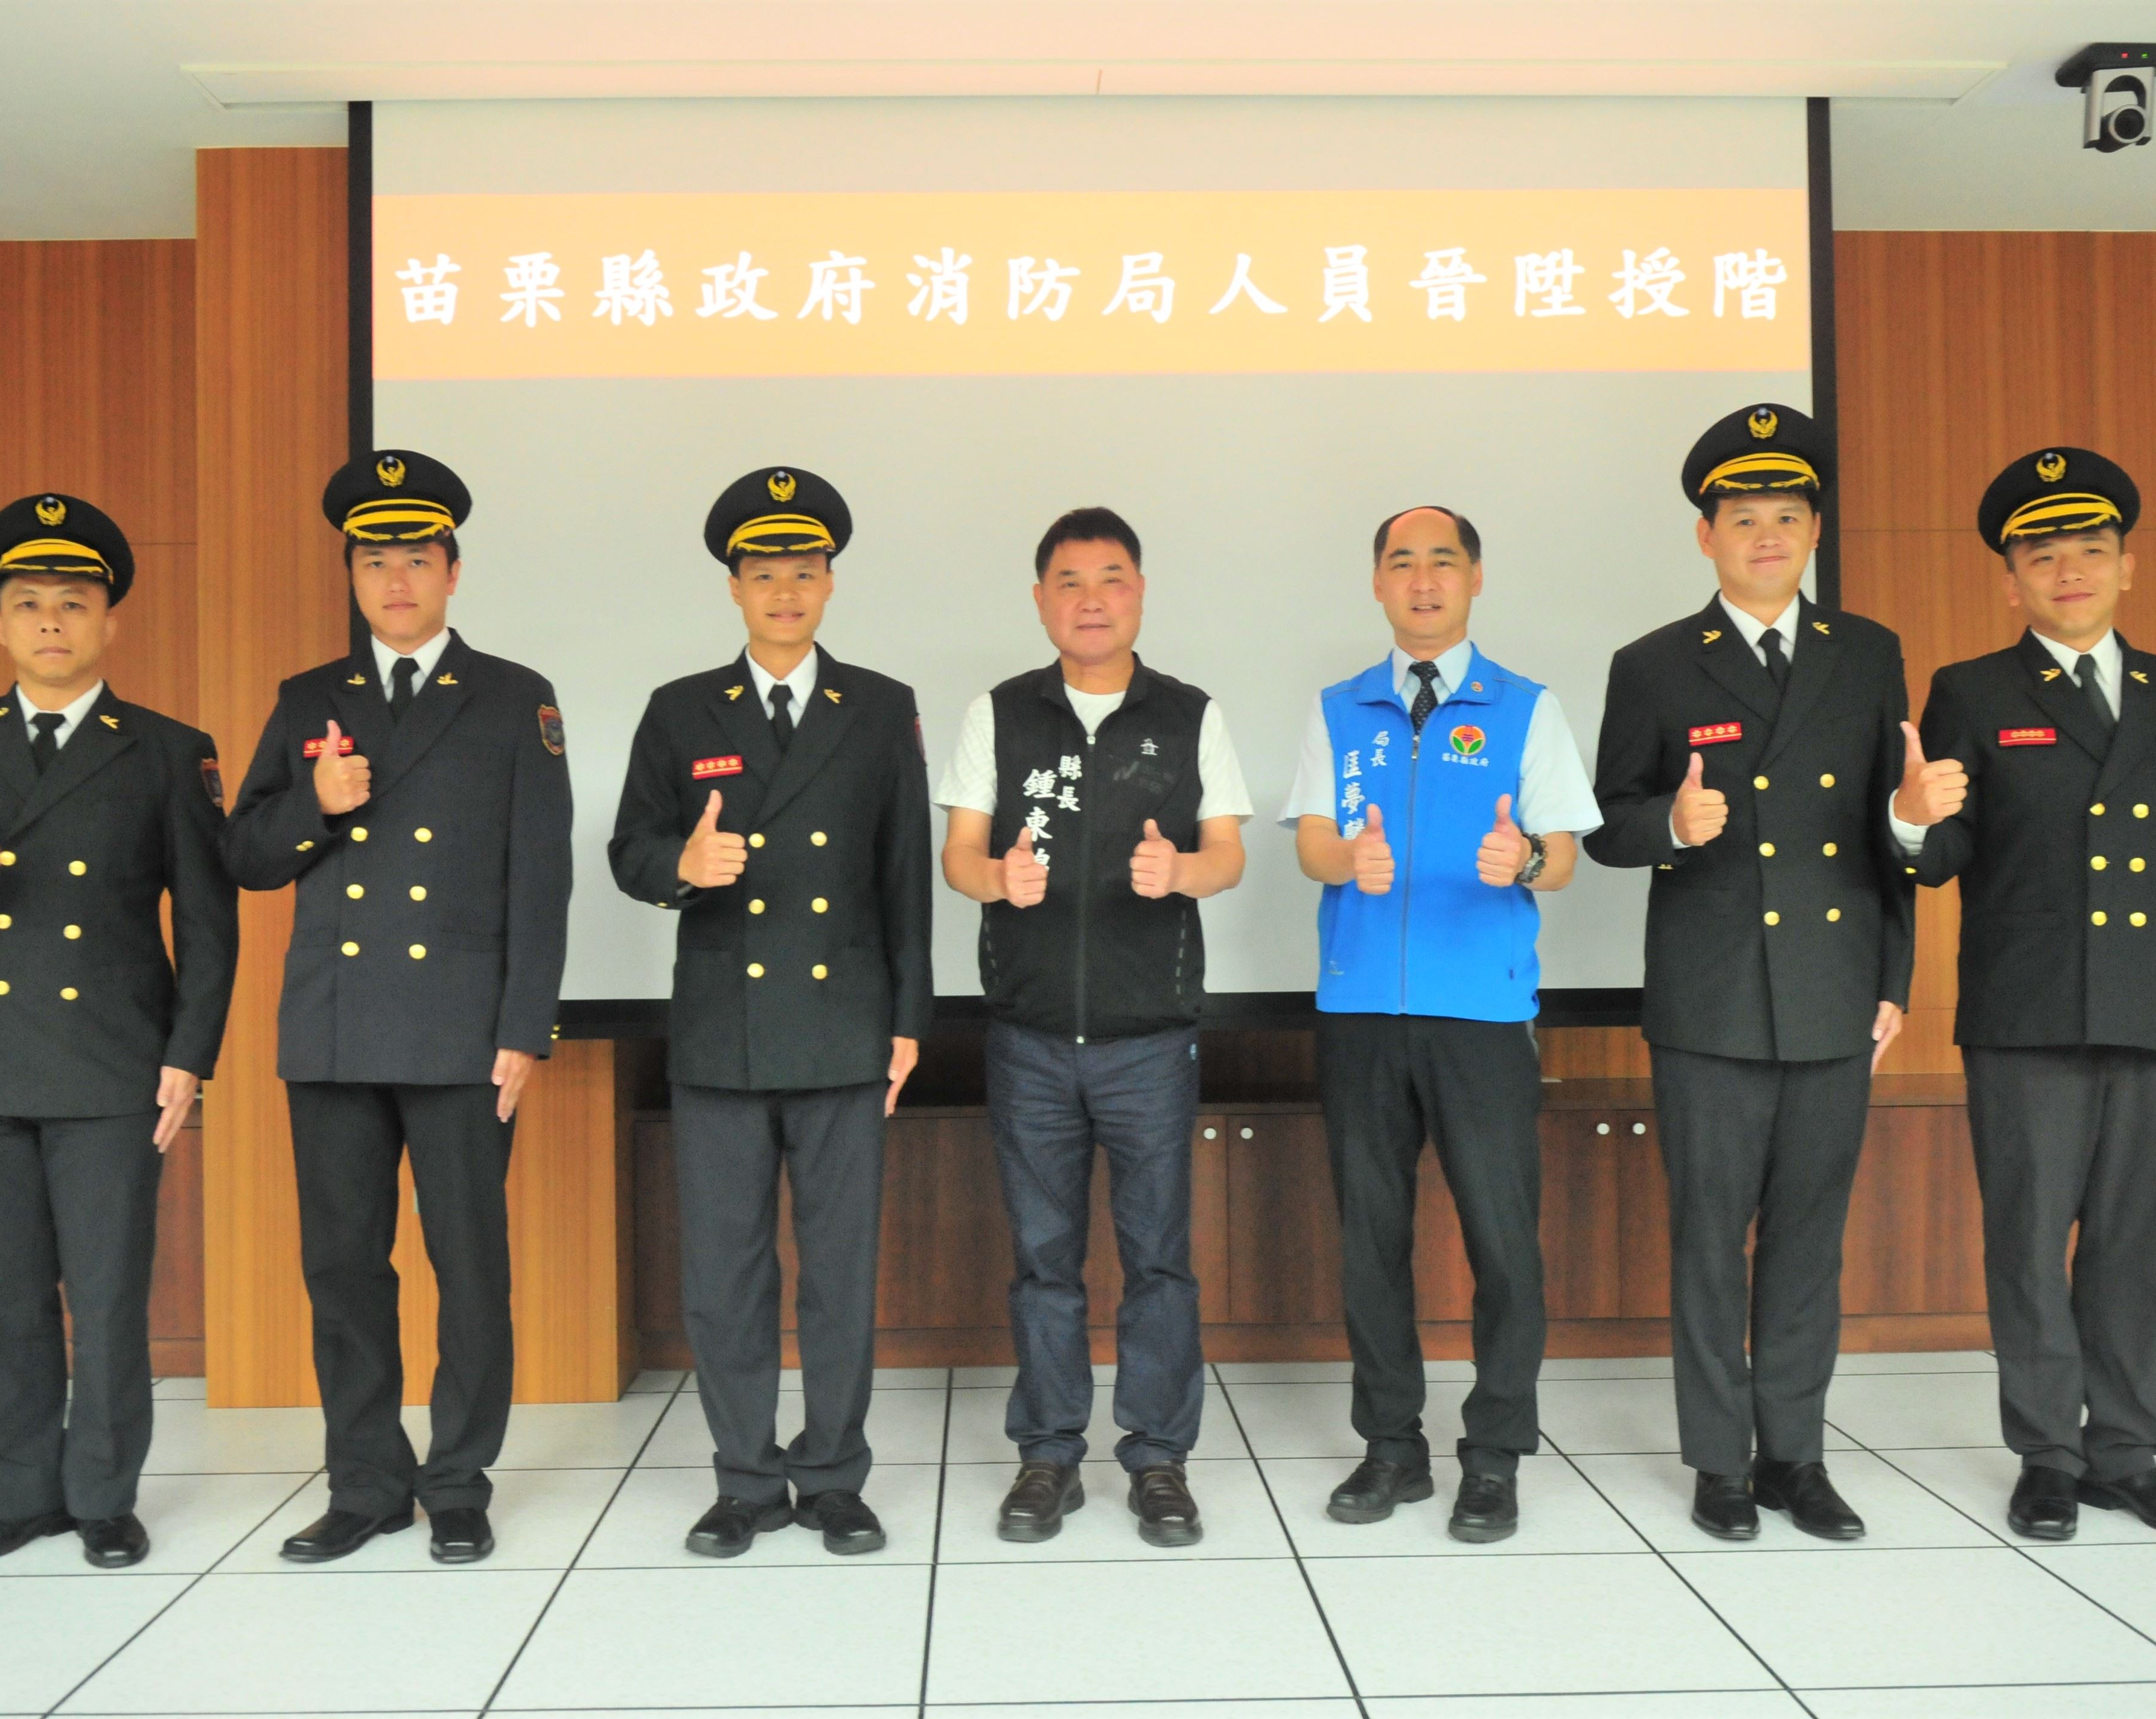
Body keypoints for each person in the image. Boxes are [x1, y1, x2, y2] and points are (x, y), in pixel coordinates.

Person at [0, 494, 238, 1569]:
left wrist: (189, 1056)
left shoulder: (166, 750)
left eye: (73, 603)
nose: (52, 622)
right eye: (29, 604)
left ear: (110, 621)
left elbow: (208, 924)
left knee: (109, 1293)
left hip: (114, 1061)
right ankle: (18, 1495)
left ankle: (104, 1498)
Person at [223, 451, 574, 1565]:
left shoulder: (514, 696)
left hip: (463, 1030)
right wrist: (314, 805)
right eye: (375, 561)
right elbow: (246, 855)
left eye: (417, 560)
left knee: (469, 1266)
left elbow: (542, 874)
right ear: (353, 576)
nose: (396, 580)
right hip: (335, 1027)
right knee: (343, 1271)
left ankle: (459, 1481)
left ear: (453, 573)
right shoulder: (308, 699)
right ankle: (367, 1482)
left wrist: (525, 1026)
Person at [1897, 446, 2156, 1542]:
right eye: (2042, 558)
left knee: (2138, 1246)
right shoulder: (1972, 691)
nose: (2070, 572)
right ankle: (2048, 1456)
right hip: (2027, 1010)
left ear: (2127, 566)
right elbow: (1941, 854)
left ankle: (2127, 1456)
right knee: (2029, 1239)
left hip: (2153, 1007)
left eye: (2090, 550)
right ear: (2011, 583)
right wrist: (1908, 816)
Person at [1586, 404, 1916, 1540]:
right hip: (1711, 998)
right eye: (1742, 519)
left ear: (1814, 530)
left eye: (1785, 516)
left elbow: (1891, 828)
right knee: (1710, 1243)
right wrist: (1669, 826)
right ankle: (1720, 1464)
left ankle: (1795, 1456)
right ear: (1705, 537)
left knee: (1810, 1243)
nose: (1765, 536)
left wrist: (1894, 977)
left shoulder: (1867, 653)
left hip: (1833, 988)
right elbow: (1606, 824)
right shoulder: (1654, 664)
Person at [608, 466, 933, 1558]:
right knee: (726, 1273)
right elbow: (629, 850)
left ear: (830, 583)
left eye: (803, 571)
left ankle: (834, 1475)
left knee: (839, 1272)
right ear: (734, 589)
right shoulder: (679, 707)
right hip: (722, 1034)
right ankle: (745, 1479)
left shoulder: (878, 706)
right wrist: (683, 865)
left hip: (845, 1027)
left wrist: (910, 1017)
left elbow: (903, 874)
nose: (784, 591)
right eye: (764, 573)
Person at [934, 506, 1251, 1548]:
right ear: (1041, 601)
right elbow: (960, 857)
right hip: (1029, 1038)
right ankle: (1048, 1456)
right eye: (1069, 582)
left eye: (1112, 578)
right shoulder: (999, 714)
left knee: (1159, 1259)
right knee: (1043, 1259)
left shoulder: (1190, 714)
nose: (1091, 600)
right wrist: (997, 879)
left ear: (1140, 593)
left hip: (1149, 1039)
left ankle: (1159, 1460)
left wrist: (1182, 870)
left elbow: (1228, 857)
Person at [1282, 504, 1600, 1542]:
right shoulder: (1338, 709)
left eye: (1443, 562)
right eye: (1403, 563)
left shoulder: (1526, 708)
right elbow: (1312, 842)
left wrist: (1528, 860)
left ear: (1474, 579)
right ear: (1378, 583)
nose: (1423, 581)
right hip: (1362, 1008)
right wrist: (1348, 860)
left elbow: (1564, 854)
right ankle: (1392, 1447)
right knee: (1371, 1239)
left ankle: (1495, 1454)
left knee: (1503, 1242)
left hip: (1482, 1012)